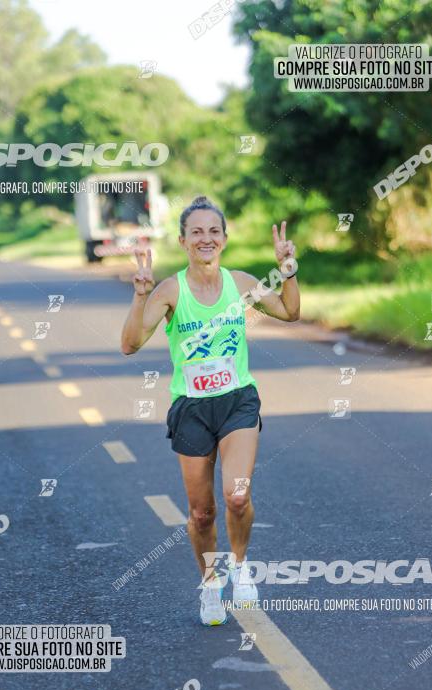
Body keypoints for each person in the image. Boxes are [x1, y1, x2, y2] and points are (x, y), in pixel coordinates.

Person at [120, 196, 300, 625]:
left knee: (237, 497)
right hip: (192, 409)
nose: (206, 239)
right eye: (196, 232)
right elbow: (130, 344)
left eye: (213, 231)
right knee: (202, 512)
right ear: (183, 241)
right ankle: (210, 583)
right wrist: (140, 296)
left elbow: (291, 312)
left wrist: (289, 271)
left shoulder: (240, 284)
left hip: (238, 400)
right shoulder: (170, 290)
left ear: (225, 238)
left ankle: (239, 567)